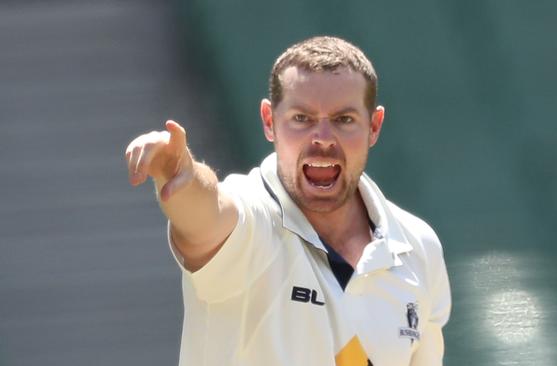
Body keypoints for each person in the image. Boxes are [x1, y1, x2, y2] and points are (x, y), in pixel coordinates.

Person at [125, 36, 451, 366]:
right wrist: (182, 176)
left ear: (374, 126)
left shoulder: (419, 247)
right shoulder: (252, 218)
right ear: (269, 121)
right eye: (302, 118)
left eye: (343, 120)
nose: (323, 139)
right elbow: (207, 216)